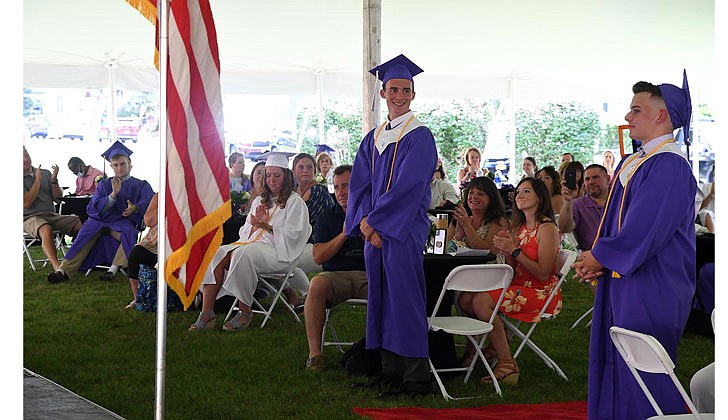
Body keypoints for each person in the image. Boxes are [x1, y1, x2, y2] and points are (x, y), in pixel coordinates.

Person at [572, 73, 697, 419]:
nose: (628, 117)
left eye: (636, 109)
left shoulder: (670, 165)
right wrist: (597, 257)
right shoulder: (637, 162)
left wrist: (598, 257)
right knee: (617, 362)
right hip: (624, 277)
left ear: (662, 115)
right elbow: (615, 224)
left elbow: (645, 230)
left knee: (643, 370)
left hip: (652, 283)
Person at [345, 54, 438, 398]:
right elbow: (359, 185)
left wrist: (376, 223)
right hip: (376, 233)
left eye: (406, 89)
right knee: (380, 299)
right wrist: (366, 226)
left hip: (402, 231)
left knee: (405, 298)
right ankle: (390, 369)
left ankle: (417, 376)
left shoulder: (420, 136)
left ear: (413, 94)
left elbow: (409, 188)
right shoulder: (374, 138)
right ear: (383, 93)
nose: (400, 95)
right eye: (393, 89)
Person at [189, 152, 311, 331]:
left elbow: (296, 235)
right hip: (254, 247)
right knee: (217, 252)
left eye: (277, 175)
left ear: (286, 177)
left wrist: (265, 225)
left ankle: (245, 311)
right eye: (268, 175)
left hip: (280, 254)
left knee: (242, 254)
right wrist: (256, 225)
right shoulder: (260, 201)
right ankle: (207, 313)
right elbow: (245, 234)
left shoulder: (295, 203)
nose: (271, 180)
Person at [465, 177, 559, 386]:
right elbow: (513, 265)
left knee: (481, 301)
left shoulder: (547, 228)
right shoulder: (520, 227)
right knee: (465, 298)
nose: (520, 196)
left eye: (526, 191)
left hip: (541, 292)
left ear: (540, 197)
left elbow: (544, 274)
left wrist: (514, 250)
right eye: (518, 192)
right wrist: (506, 250)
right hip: (516, 286)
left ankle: (507, 362)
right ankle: (488, 346)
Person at [47, 141, 155, 283]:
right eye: (115, 165)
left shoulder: (141, 185)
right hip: (102, 221)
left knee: (130, 232)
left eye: (123, 164)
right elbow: (93, 208)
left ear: (130, 164)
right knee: (86, 230)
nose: (119, 168)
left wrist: (135, 208)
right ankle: (63, 271)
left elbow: (150, 201)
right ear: (111, 166)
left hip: (123, 223)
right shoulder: (104, 184)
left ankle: (113, 269)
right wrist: (113, 196)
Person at [304, 165, 367, 371]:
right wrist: (344, 235)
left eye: (346, 186)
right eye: (337, 187)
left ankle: (385, 349)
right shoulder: (327, 216)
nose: (341, 192)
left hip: (369, 275)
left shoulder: (372, 212)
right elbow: (318, 256)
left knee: (393, 285)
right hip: (336, 276)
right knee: (316, 285)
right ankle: (315, 355)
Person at [23, 146, 82, 272]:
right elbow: (26, 203)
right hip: (28, 218)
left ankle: (79, 261)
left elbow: (58, 199)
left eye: (26, 155)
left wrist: (54, 181)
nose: (25, 159)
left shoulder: (45, 173)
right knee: (45, 228)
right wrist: (37, 180)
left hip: (51, 214)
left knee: (83, 222)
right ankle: (58, 268)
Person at [293, 152, 335, 276]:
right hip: (296, 240)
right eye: (301, 167)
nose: (305, 170)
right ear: (294, 170)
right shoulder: (292, 192)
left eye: (309, 167)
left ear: (315, 171)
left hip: (317, 243)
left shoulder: (319, 191)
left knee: (283, 261)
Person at [446, 176, 508, 253]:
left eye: (480, 194)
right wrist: (459, 236)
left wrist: (467, 227)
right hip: (459, 264)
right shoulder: (459, 217)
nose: (474, 197)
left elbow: (488, 253)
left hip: (487, 264)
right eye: (471, 193)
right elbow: (446, 250)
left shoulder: (498, 221)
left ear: (491, 198)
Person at [558, 164, 610, 251]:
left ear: (608, 179)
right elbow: (565, 228)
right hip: (593, 258)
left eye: (595, 177)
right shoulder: (577, 205)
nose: (591, 182)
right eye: (587, 179)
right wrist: (568, 202)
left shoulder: (621, 199)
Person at [124, 193, 158, 308]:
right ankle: (138, 298)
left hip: (181, 238)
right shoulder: (161, 196)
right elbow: (148, 221)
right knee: (136, 253)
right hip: (156, 240)